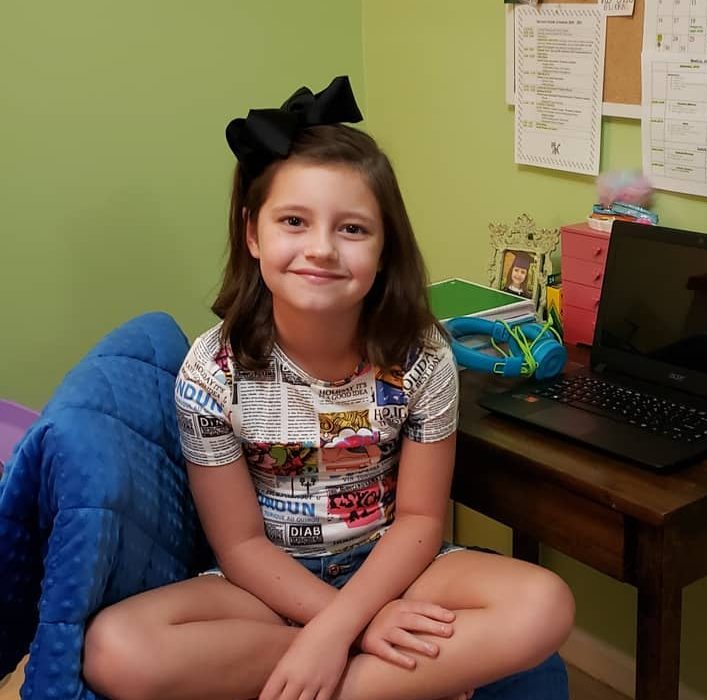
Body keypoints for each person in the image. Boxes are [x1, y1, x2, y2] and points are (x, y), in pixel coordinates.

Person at [82, 76, 574, 700]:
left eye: (353, 229)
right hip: (268, 586)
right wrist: (344, 627)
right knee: (115, 649)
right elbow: (239, 545)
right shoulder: (212, 371)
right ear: (253, 234)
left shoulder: (423, 356)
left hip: (394, 570)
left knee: (544, 604)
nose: (321, 249)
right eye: (294, 221)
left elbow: (421, 518)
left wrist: (344, 625)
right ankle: (381, 679)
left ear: (384, 247)